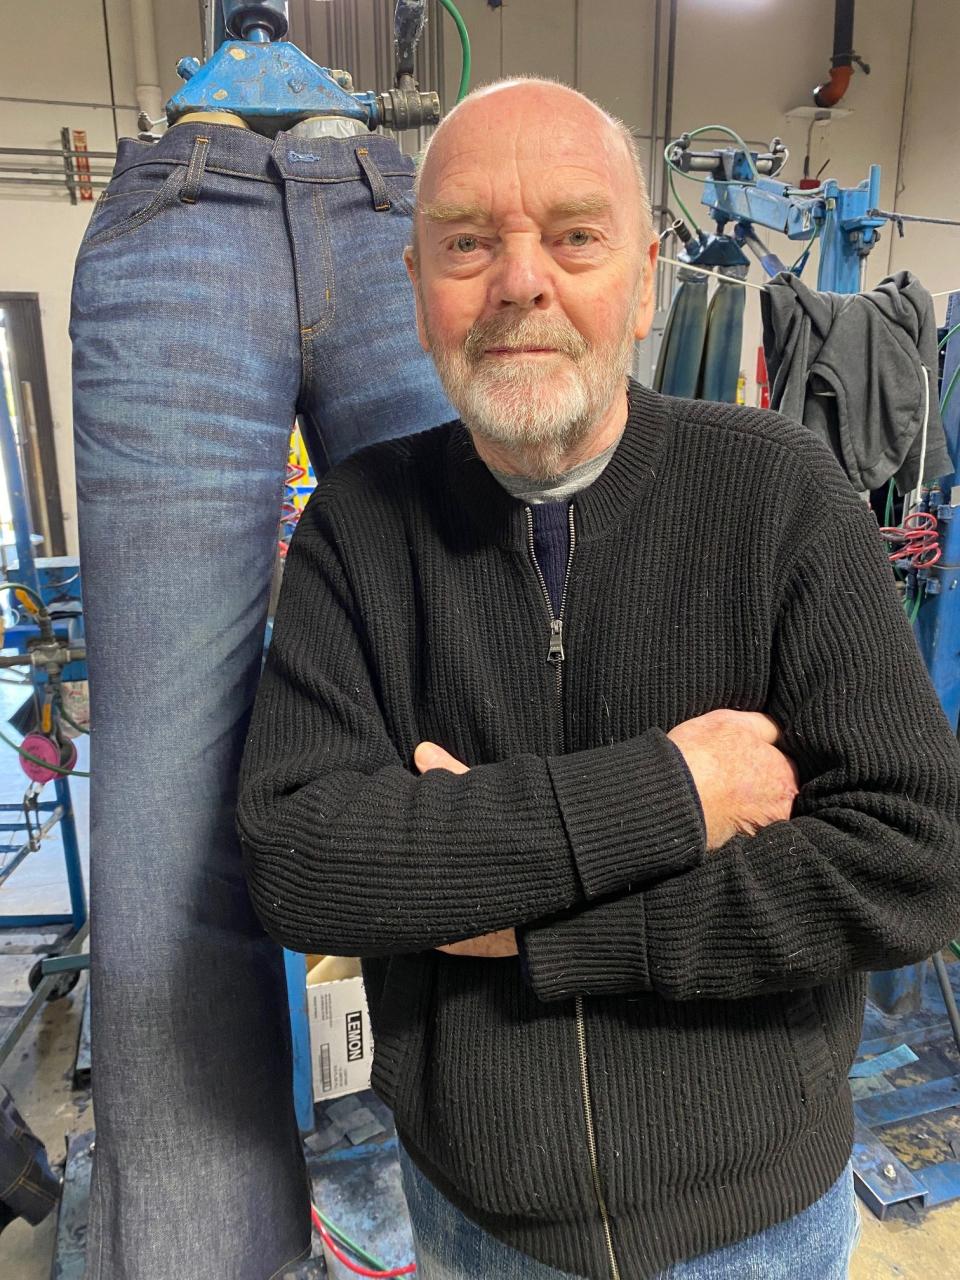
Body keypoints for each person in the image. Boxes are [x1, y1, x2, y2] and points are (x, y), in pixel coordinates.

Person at [237, 79, 960, 1280]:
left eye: (574, 235)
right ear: (417, 293)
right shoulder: (361, 530)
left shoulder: (782, 497)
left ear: (644, 283)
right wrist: (676, 792)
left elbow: (910, 858)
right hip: (479, 1227)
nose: (520, 281)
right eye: (468, 243)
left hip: (758, 1227)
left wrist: (530, 925)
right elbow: (305, 857)